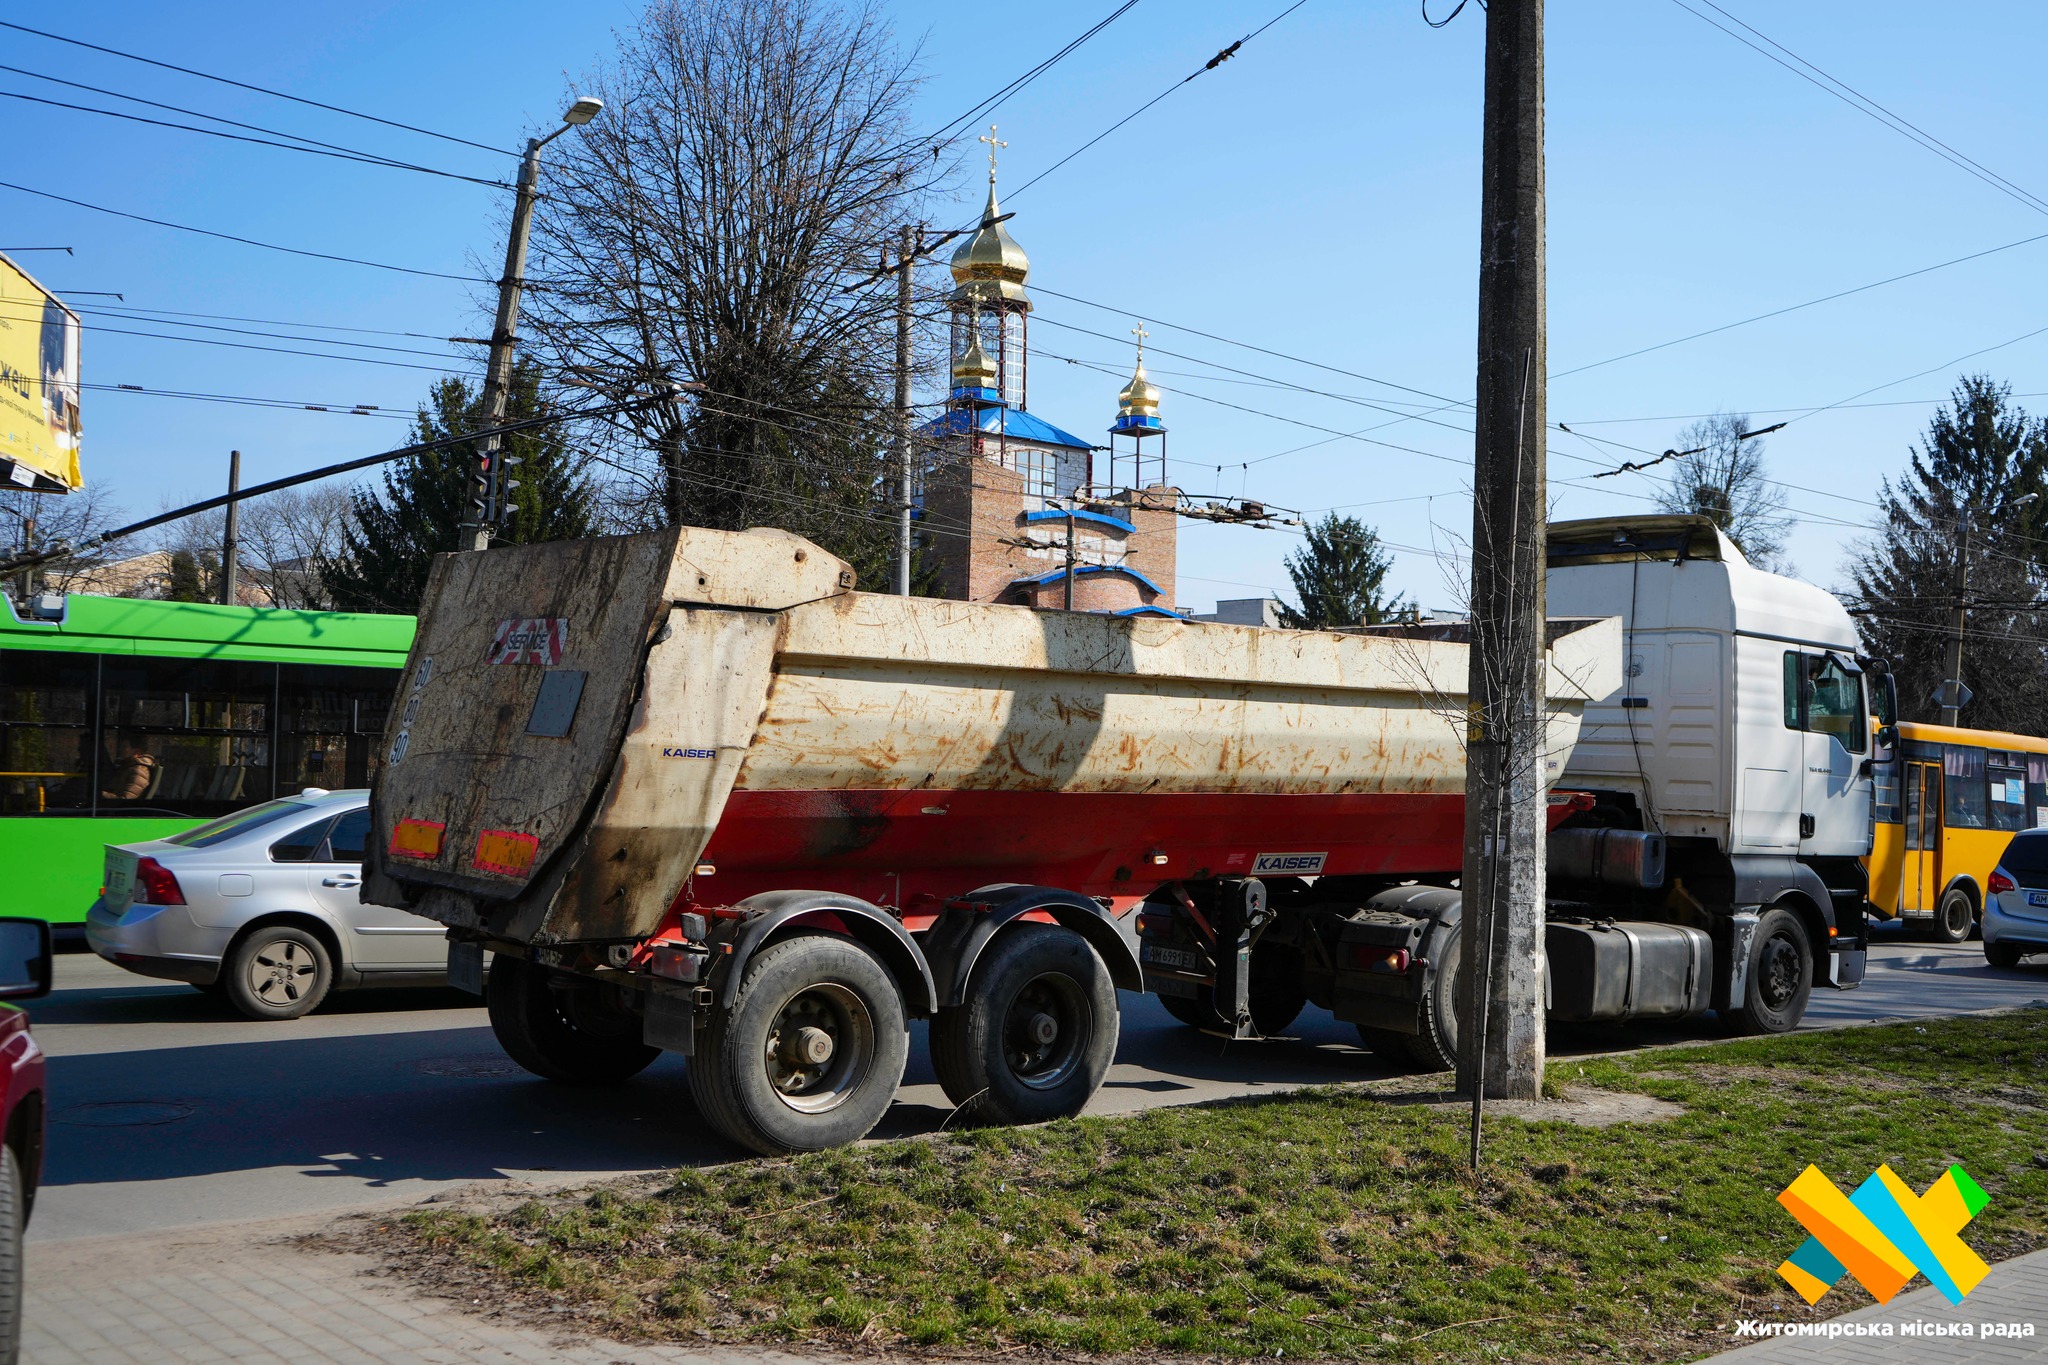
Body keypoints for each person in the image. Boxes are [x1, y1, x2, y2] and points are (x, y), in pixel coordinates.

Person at [101, 735, 158, 801]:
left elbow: (126, 800)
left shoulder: (139, 771)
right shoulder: (126, 767)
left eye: (125, 747)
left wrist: (98, 794)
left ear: (137, 752)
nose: (120, 749)